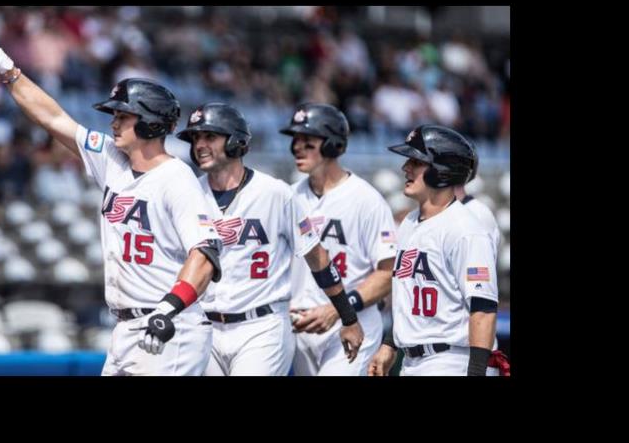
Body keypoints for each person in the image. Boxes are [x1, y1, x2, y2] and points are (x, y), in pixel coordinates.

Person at [0, 18, 223, 375]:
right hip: (126, 327)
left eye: (123, 115)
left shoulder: (178, 179)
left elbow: (205, 255)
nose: (113, 122)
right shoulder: (112, 159)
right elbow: (54, 119)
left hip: (169, 325)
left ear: (150, 123)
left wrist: (168, 309)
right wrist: (8, 70)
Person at [176, 103, 364, 376]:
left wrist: (347, 317)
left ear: (235, 141)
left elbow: (318, 258)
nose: (199, 145)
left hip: (261, 327)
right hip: (205, 326)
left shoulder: (275, 193)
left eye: (209, 136)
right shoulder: (188, 193)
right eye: (195, 138)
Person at [367, 125, 503, 376]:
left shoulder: (466, 228)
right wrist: (389, 344)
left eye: (416, 162)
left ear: (442, 170)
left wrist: (476, 373)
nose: (405, 167)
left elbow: (483, 308)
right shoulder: (409, 222)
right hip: (411, 362)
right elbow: (406, 297)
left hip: (451, 360)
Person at [278, 103, 396, 376]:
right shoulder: (288, 197)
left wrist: (338, 309)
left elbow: (388, 274)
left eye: (308, 140)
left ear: (333, 144)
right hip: (301, 324)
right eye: (295, 139)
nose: (297, 147)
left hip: (352, 321)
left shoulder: (366, 199)